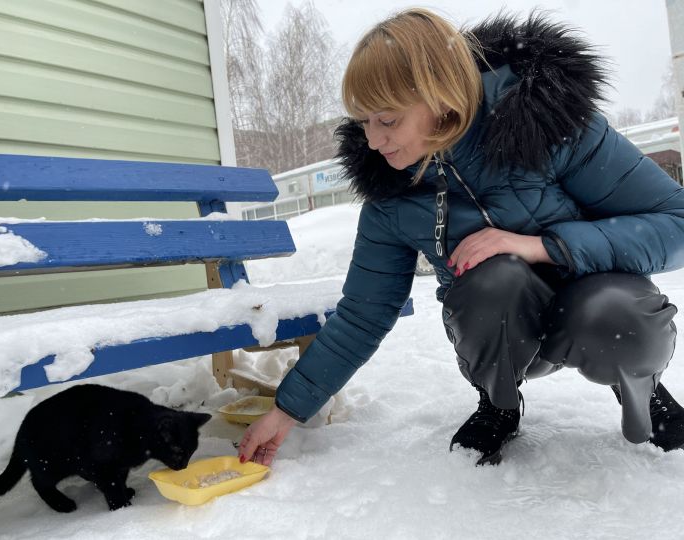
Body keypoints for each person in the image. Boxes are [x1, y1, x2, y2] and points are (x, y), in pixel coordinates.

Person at [238, 8, 684, 467]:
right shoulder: (391, 192)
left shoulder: (551, 126)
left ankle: (641, 388)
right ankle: (499, 404)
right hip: (500, 332)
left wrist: (541, 246)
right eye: (364, 121)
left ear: (442, 97)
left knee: (614, 313)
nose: (372, 141)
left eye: (387, 121)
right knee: (494, 280)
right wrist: (286, 410)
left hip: (594, 310)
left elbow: (677, 220)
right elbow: (363, 315)